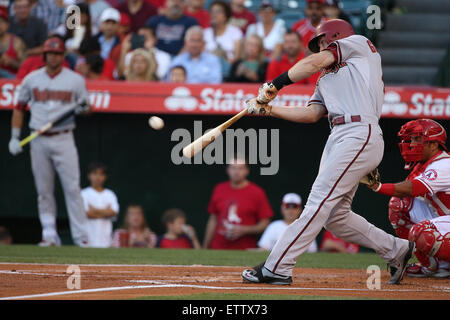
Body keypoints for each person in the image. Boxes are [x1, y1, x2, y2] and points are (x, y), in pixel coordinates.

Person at [241, 19, 414, 286]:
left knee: (318, 202)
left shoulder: (358, 45)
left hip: (359, 129)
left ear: (336, 36)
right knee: (336, 217)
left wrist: (274, 85)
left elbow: (311, 63)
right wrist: (268, 109)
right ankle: (397, 250)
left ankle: (277, 267)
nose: (319, 47)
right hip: (339, 135)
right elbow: (312, 114)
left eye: (322, 41)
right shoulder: (325, 79)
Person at [8, 37, 91, 247]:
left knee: (72, 188)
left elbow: (87, 107)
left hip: (63, 136)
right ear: (44, 56)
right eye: (50, 54)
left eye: (57, 54)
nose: (53, 57)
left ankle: (81, 236)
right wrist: (15, 136)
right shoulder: (31, 79)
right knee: (44, 190)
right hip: (38, 137)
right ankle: (49, 235)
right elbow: (19, 108)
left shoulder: (75, 80)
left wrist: (84, 110)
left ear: (63, 56)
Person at [364, 119, 449, 278]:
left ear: (434, 144)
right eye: (411, 139)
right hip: (445, 217)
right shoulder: (423, 165)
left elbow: (412, 188)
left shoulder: (444, 164)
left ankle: (445, 266)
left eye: (417, 139)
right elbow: (406, 194)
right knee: (399, 205)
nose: (411, 144)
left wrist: (378, 186)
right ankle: (434, 266)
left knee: (423, 232)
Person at [203, 156, 274, 250]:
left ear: (247, 171)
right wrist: (205, 246)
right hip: (218, 248)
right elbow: (213, 219)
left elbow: (265, 223)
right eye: (233, 168)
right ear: (228, 170)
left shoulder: (257, 192)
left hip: (244, 250)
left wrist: (244, 230)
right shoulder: (219, 189)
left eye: (240, 168)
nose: (236, 172)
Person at [81, 162, 119, 248]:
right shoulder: (84, 194)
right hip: (87, 239)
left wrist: (95, 210)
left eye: (101, 174)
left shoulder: (110, 194)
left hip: (106, 240)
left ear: (105, 177)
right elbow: (87, 214)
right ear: (89, 176)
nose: (98, 177)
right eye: (94, 173)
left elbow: (114, 212)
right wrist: (105, 212)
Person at [0, 10, 26, 78]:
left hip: (11, 82)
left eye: (1, 22)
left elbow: (25, 67)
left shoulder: (16, 42)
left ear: (7, 25)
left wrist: (11, 62)